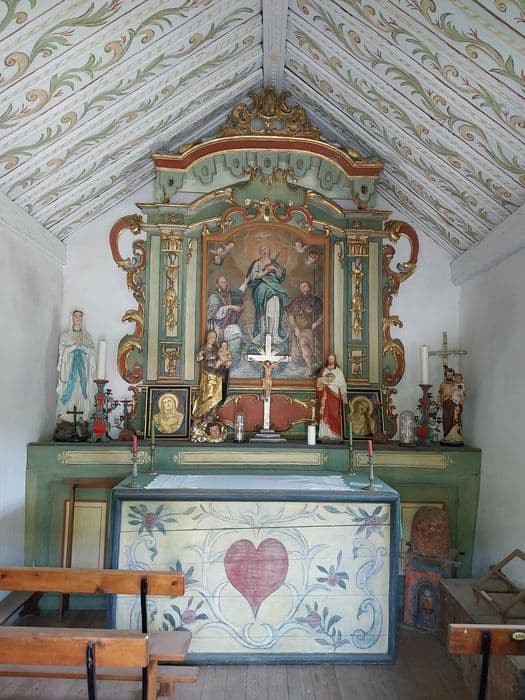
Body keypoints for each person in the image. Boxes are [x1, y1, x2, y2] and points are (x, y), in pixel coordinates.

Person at [245, 243, 290, 345]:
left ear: (269, 251)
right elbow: (252, 276)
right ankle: (264, 332)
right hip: (261, 287)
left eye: (265, 249)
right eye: (262, 250)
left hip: (274, 287)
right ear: (260, 252)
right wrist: (265, 271)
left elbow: (280, 276)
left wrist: (274, 269)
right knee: (267, 305)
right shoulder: (257, 263)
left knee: (275, 301)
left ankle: (274, 333)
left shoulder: (274, 263)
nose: (264, 251)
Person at [56, 310, 95, 423]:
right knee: (69, 387)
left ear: (83, 318)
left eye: (80, 316)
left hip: (82, 369)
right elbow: (62, 351)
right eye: (75, 315)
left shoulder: (87, 336)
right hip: (69, 369)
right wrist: (74, 346)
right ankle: (65, 415)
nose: (78, 318)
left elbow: (92, 352)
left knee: (81, 389)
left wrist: (82, 347)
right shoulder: (65, 335)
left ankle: (82, 415)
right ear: (71, 317)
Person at [192, 330, 231, 421]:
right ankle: (205, 415)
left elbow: (223, 359)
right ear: (207, 337)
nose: (212, 339)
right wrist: (200, 357)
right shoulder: (203, 349)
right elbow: (198, 358)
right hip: (208, 375)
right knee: (208, 395)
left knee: (216, 396)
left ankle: (212, 414)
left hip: (217, 376)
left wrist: (225, 363)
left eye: (214, 337)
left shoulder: (216, 350)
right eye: (210, 336)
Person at [286, 280, 323, 375]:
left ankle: (311, 366)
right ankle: (309, 366)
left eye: (305, 286)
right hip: (298, 329)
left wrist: (316, 323)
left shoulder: (316, 301)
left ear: (309, 288)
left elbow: (322, 315)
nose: (303, 288)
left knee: (311, 346)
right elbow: (290, 315)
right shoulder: (295, 300)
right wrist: (295, 328)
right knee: (302, 344)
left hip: (309, 329)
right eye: (301, 286)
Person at [207, 275, 246, 363]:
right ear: (217, 284)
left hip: (229, 324)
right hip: (219, 326)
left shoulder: (229, 293)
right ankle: (231, 360)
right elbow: (216, 314)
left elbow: (239, 293)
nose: (224, 284)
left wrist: (245, 282)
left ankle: (233, 360)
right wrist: (230, 307)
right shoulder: (214, 297)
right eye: (222, 282)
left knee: (239, 335)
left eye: (225, 282)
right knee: (236, 333)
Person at [316, 353, 348, 442]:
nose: (330, 360)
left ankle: (335, 434)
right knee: (324, 413)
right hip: (325, 394)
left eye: (332, 359)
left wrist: (344, 394)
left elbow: (343, 385)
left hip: (335, 395)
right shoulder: (323, 371)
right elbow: (318, 383)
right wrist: (320, 380)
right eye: (329, 359)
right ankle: (324, 434)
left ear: (335, 360)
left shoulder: (339, 371)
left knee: (335, 414)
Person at [439, 366, 457, 443]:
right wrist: (442, 400)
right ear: (446, 375)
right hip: (446, 405)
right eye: (448, 375)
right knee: (446, 420)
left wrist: (450, 396)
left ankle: (453, 436)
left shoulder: (455, 384)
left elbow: (458, 393)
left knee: (454, 420)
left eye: (451, 375)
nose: (449, 376)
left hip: (453, 405)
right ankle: (446, 436)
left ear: (453, 375)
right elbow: (441, 394)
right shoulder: (442, 385)